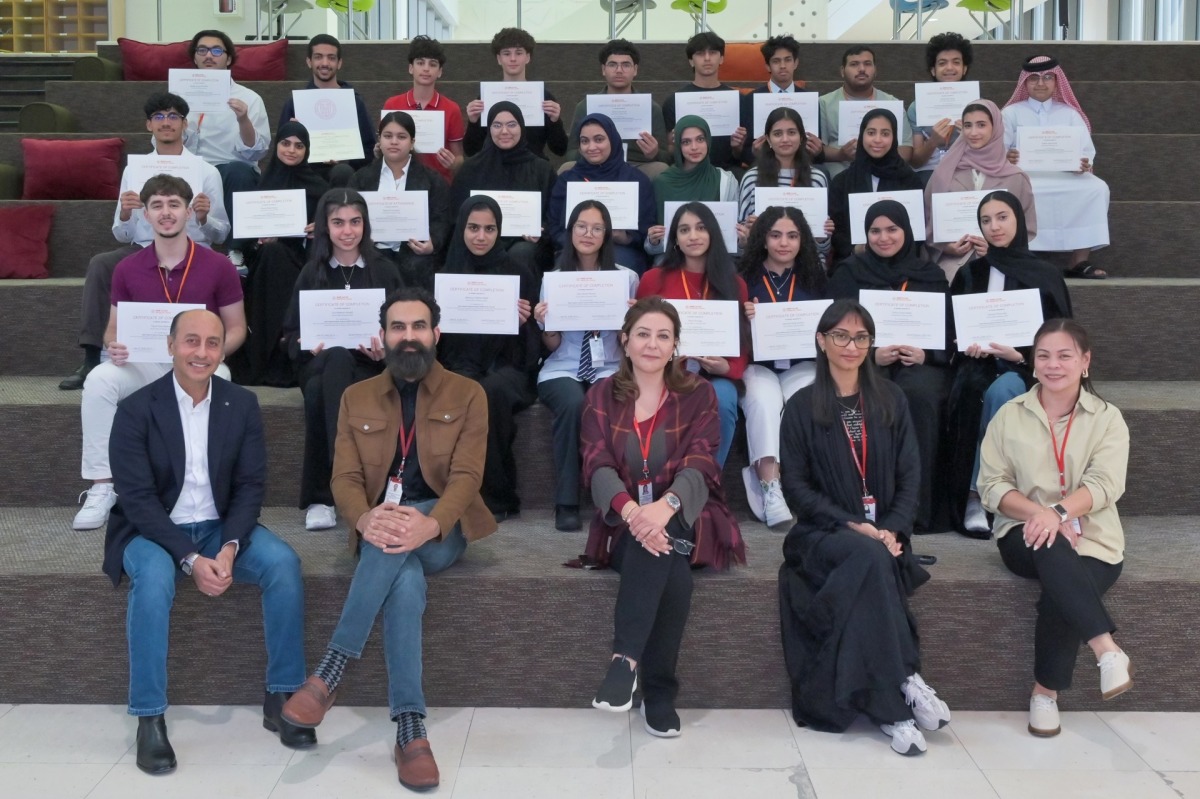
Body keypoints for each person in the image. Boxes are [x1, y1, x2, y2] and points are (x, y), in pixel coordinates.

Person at [280, 289, 497, 792]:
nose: (408, 337)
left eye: (418, 327)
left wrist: (430, 522)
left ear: (435, 335)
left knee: (400, 538)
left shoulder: (468, 394)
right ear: (382, 337)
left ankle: (330, 671)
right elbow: (344, 480)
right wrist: (361, 520)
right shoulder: (356, 397)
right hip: (379, 529)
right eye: (398, 328)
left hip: (443, 529)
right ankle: (410, 729)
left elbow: (466, 477)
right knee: (403, 579)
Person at [103, 308, 309, 775]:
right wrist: (190, 557)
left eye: (212, 343)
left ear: (222, 349)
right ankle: (149, 716)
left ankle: (282, 695)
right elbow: (136, 498)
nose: (202, 352)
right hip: (152, 531)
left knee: (283, 564)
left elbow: (251, 485)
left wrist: (231, 545)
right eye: (191, 341)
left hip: (220, 525)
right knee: (153, 581)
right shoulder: (137, 408)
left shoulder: (241, 403)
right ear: (171, 345)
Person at [778, 299, 950, 757]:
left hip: (883, 535)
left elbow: (912, 473)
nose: (850, 346)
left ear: (871, 343)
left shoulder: (891, 399)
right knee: (869, 556)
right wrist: (853, 524)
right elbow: (796, 488)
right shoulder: (800, 406)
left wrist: (893, 528)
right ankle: (904, 681)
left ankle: (895, 707)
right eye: (840, 336)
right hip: (822, 535)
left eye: (860, 337)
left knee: (873, 559)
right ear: (821, 341)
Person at [583, 297, 744, 737]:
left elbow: (702, 463)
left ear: (675, 346)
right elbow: (596, 465)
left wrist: (663, 507)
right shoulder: (601, 394)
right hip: (623, 519)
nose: (652, 344)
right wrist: (635, 513)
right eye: (643, 334)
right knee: (672, 572)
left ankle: (624, 662)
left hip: (688, 513)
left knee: (662, 535)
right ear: (625, 340)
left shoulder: (698, 394)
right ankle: (658, 692)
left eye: (663, 336)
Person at [978, 318, 1131, 737]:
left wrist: (1059, 513)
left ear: (1085, 362)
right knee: (1045, 541)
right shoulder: (1009, 416)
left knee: (1060, 585)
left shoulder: (1107, 418)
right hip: (1021, 533)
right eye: (1043, 355)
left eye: (1065, 355)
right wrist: (1042, 515)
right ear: (1032, 363)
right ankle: (1106, 649)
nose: (1053, 365)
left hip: (1095, 538)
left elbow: (1105, 484)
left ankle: (1044, 693)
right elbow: (991, 486)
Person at [73, 175, 244, 531]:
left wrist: (214, 354)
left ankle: (207, 487)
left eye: (174, 205)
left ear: (187, 210)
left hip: (198, 366)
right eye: (157, 206)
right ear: (145, 215)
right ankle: (103, 486)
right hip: (146, 363)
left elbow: (237, 329)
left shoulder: (218, 265)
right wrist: (113, 345)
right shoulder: (127, 268)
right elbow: (113, 329)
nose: (166, 213)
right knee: (100, 379)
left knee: (223, 379)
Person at [61, 91, 228, 391]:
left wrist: (204, 219)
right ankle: (91, 358)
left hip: (192, 249)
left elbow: (221, 234)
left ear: (184, 124)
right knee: (101, 264)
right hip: (143, 248)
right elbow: (121, 234)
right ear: (148, 125)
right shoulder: (134, 170)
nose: (166, 122)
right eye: (159, 117)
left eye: (173, 116)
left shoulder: (207, 172)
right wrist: (125, 213)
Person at [944, 190, 1072, 535]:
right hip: (977, 362)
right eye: (986, 220)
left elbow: (1062, 336)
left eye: (1002, 217)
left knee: (1004, 391)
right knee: (968, 389)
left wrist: (1021, 356)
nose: (994, 227)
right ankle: (973, 495)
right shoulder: (970, 273)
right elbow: (951, 330)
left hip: (1028, 366)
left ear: (1018, 219)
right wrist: (963, 344)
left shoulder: (1044, 273)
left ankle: (981, 492)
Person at [280, 189, 405, 531]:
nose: (347, 231)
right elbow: (289, 335)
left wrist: (386, 350)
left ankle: (324, 494)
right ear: (325, 227)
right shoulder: (311, 272)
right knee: (332, 360)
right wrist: (304, 344)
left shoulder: (385, 271)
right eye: (338, 223)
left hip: (370, 365)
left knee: (324, 389)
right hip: (319, 363)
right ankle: (352, 474)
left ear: (365, 225)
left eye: (355, 222)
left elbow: (402, 329)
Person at [827, 200, 951, 533]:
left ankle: (916, 508)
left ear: (907, 231)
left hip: (920, 364)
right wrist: (870, 354)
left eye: (892, 229)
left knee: (919, 397)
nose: (883, 237)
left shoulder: (930, 274)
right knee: (873, 395)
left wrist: (927, 354)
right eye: (875, 231)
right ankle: (865, 504)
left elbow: (949, 331)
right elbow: (835, 327)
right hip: (865, 361)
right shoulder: (849, 272)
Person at [535, 200, 639, 532]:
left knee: (603, 399)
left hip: (609, 365)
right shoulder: (554, 278)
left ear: (607, 234)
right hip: (562, 366)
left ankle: (611, 498)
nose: (588, 234)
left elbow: (631, 345)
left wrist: (633, 322)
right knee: (572, 401)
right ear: (571, 231)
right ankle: (566, 501)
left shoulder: (627, 279)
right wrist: (547, 325)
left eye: (596, 228)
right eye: (581, 226)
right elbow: (552, 344)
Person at [437, 196, 539, 520]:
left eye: (489, 229)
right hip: (459, 363)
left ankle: (495, 497)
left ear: (499, 231)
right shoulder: (447, 271)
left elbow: (533, 345)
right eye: (473, 228)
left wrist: (525, 321)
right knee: (461, 388)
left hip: (507, 366)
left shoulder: (518, 272)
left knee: (491, 392)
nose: (481, 236)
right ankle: (456, 495)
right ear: (462, 229)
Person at [636, 202, 748, 467]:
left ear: (713, 234)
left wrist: (727, 367)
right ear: (674, 239)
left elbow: (742, 343)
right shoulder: (653, 280)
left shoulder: (735, 284)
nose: (693, 236)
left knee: (722, 398)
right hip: (666, 372)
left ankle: (705, 484)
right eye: (684, 230)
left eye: (700, 228)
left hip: (715, 374)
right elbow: (638, 338)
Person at [738, 206, 827, 527]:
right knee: (763, 400)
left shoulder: (816, 279)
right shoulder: (742, 278)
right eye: (775, 235)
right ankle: (769, 485)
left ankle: (805, 486)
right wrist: (743, 318)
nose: (783, 243)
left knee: (805, 398)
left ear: (803, 240)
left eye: (792, 235)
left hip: (802, 363)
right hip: (756, 365)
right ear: (762, 239)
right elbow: (726, 334)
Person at [1002, 55, 1111, 278]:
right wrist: (1007, 156)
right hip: (1025, 175)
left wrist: (1082, 164)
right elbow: (997, 150)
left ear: (1056, 81)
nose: (1041, 83)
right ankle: (1023, 257)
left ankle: (1078, 261)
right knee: (1014, 189)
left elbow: (1086, 152)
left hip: (1067, 175)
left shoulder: (1070, 114)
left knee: (1097, 188)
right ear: (1025, 82)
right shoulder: (1010, 113)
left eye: (1047, 77)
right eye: (1034, 78)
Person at [238, 121, 329, 386]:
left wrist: (320, 228)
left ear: (307, 150)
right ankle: (266, 355)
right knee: (271, 255)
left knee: (276, 256)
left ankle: (282, 358)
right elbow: (246, 242)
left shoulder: (320, 188)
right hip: (268, 262)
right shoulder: (264, 183)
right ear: (276, 146)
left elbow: (336, 229)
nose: (291, 150)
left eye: (299, 146)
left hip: (304, 260)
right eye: (285, 143)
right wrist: (258, 239)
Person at [182, 30, 271, 266]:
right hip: (189, 168)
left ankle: (236, 250)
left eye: (217, 50)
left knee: (240, 171)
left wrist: (243, 119)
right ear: (195, 57)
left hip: (228, 170)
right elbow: (159, 142)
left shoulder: (249, 98)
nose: (209, 56)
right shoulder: (179, 95)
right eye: (202, 50)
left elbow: (257, 151)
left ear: (228, 58)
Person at [924, 99, 1036, 279]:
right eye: (968, 125)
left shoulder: (1016, 177)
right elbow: (928, 223)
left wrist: (996, 247)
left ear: (996, 128)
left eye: (981, 125)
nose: (973, 132)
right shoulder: (943, 172)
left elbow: (1027, 229)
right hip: (953, 265)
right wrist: (945, 247)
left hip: (1005, 265)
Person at [450, 101, 557, 278]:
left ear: (522, 127)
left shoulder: (541, 169)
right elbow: (456, 216)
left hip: (524, 243)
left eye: (511, 125)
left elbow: (553, 215)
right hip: (480, 238)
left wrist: (541, 230)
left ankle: (522, 305)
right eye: (497, 125)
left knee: (521, 253)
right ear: (489, 129)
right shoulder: (471, 168)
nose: (504, 131)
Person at [349, 111, 453, 290]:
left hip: (414, 253)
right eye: (388, 136)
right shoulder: (361, 179)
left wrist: (432, 243)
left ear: (412, 142)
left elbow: (441, 219)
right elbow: (350, 214)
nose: (394, 142)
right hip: (372, 251)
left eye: (402, 136)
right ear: (379, 140)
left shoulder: (433, 180)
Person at [549, 112, 656, 273]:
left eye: (599, 139)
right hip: (574, 250)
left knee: (618, 270)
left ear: (612, 140)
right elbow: (554, 228)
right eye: (585, 141)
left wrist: (625, 237)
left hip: (620, 250)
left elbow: (647, 231)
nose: (591, 147)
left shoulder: (636, 180)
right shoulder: (568, 179)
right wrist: (580, 239)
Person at [735, 107, 833, 263]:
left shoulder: (817, 178)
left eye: (792, 133)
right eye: (777, 134)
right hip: (762, 259)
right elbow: (741, 248)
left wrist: (823, 237)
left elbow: (823, 249)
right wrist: (747, 234)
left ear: (801, 137)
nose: (785, 139)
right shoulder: (752, 178)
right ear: (768, 139)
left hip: (806, 262)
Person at [827, 109, 924, 265]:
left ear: (894, 138)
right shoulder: (842, 181)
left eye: (885, 134)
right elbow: (837, 230)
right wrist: (855, 249)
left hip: (901, 263)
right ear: (861, 136)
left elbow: (917, 230)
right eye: (871, 133)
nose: (877, 140)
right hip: (854, 262)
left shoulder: (909, 180)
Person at [565, 38, 670, 180]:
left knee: (661, 169)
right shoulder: (586, 106)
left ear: (635, 70)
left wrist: (654, 152)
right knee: (567, 168)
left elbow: (666, 157)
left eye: (626, 65)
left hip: (637, 165)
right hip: (595, 165)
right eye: (612, 64)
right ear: (603, 69)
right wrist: (588, 150)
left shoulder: (651, 108)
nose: (619, 70)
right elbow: (570, 153)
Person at [276, 34, 377, 181]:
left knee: (342, 172)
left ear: (339, 63)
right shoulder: (296, 103)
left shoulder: (354, 102)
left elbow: (368, 148)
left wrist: (346, 160)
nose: (325, 63)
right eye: (318, 57)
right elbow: (281, 148)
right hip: (305, 174)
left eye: (331, 58)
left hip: (345, 175)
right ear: (309, 61)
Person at [462, 28, 568, 160]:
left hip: (534, 170)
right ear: (499, 59)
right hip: (495, 169)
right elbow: (471, 150)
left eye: (519, 53)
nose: (513, 59)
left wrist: (555, 121)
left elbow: (560, 149)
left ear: (527, 57)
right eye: (506, 54)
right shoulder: (486, 97)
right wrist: (473, 122)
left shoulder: (543, 97)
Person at [645, 115, 739, 256]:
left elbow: (733, 242)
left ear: (708, 141)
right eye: (686, 142)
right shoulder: (662, 183)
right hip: (674, 257)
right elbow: (653, 248)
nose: (694, 147)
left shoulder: (726, 180)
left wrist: (741, 242)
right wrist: (654, 241)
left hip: (715, 256)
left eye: (700, 140)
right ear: (678, 146)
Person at [661, 31, 749, 175]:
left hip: (727, 171)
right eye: (700, 53)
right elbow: (669, 154)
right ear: (691, 61)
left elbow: (743, 155)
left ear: (721, 58)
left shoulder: (739, 100)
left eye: (713, 53)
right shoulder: (674, 101)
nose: (707, 58)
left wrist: (738, 147)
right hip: (688, 171)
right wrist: (672, 143)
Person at [819, 46, 913, 178]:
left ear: (875, 70)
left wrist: (881, 155)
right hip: (842, 168)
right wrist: (840, 154)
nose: (862, 69)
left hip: (886, 169)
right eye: (854, 64)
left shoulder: (892, 103)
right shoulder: (824, 103)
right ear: (842, 71)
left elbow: (906, 149)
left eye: (867, 64)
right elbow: (818, 149)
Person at [382, 35, 465, 183]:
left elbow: (459, 158)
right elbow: (383, 147)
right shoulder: (392, 105)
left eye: (432, 64)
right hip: (399, 182)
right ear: (411, 68)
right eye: (420, 63)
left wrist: (453, 164)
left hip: (439, 184)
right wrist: (379, 150)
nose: (426, 69)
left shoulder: (451, 109)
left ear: (440, 71)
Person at [741, 34, 822, 165]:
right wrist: (753, 152)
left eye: (788, 60)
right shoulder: (751, 99)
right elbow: (743, 151)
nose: (783, 66)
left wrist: (818, 151)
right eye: (776, 61)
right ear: (767, 66)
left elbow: (818, 149)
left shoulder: (810, 100)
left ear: (796, 63)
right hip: (764, 165)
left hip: (802, 165)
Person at [908, 32, 973, 183]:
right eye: (942, 63)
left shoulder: (977, 105)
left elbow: (988, 154)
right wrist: (933, 141)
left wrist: (970, 137)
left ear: (964, 68)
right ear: (933, 70)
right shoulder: (917, 107)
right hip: (928, 173)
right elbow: (915, 161)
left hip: (967, 170)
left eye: (956, 62)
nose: (949, 68)